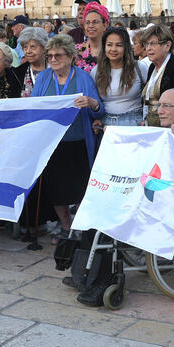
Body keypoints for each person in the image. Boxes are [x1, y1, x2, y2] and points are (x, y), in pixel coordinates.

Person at [30, 34, 104, 240]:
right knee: (55, 189)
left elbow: (99, 110)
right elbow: (34, 107)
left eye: (58, 55)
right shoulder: (44, 78)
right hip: (52, 144)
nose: (53, 59)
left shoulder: (83, 78)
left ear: (71, 56)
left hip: (78, 141)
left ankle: (79, 227)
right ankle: (65, 226)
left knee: (81, 187)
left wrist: (91, 102)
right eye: (50, 55)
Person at [92, 27, 144, 129]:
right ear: (104, 47)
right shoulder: (96, 71)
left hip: (134, 124)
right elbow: (95, 100)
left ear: (126, 47)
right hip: (106, 126)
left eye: (119, 45)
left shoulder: (139, 67)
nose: (113, 49)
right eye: (109, 45)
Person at [142, 24, 174, 126]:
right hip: (150, 126)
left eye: (153, 44)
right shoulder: (152, 67)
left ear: (167, 45)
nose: (148, 48)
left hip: (170, 128)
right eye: (146, 44)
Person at [13, 27, 49, 98]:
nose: (28, 51)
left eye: (33, 47)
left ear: (44, 48)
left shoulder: (56, 70)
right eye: (25, 47)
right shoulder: (17, 73)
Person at [76, 2, 109, 73]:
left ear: (105, 25)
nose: (90, 26)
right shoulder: (76, 51)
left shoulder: (111, 51)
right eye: (87, 22)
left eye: (95, 22)